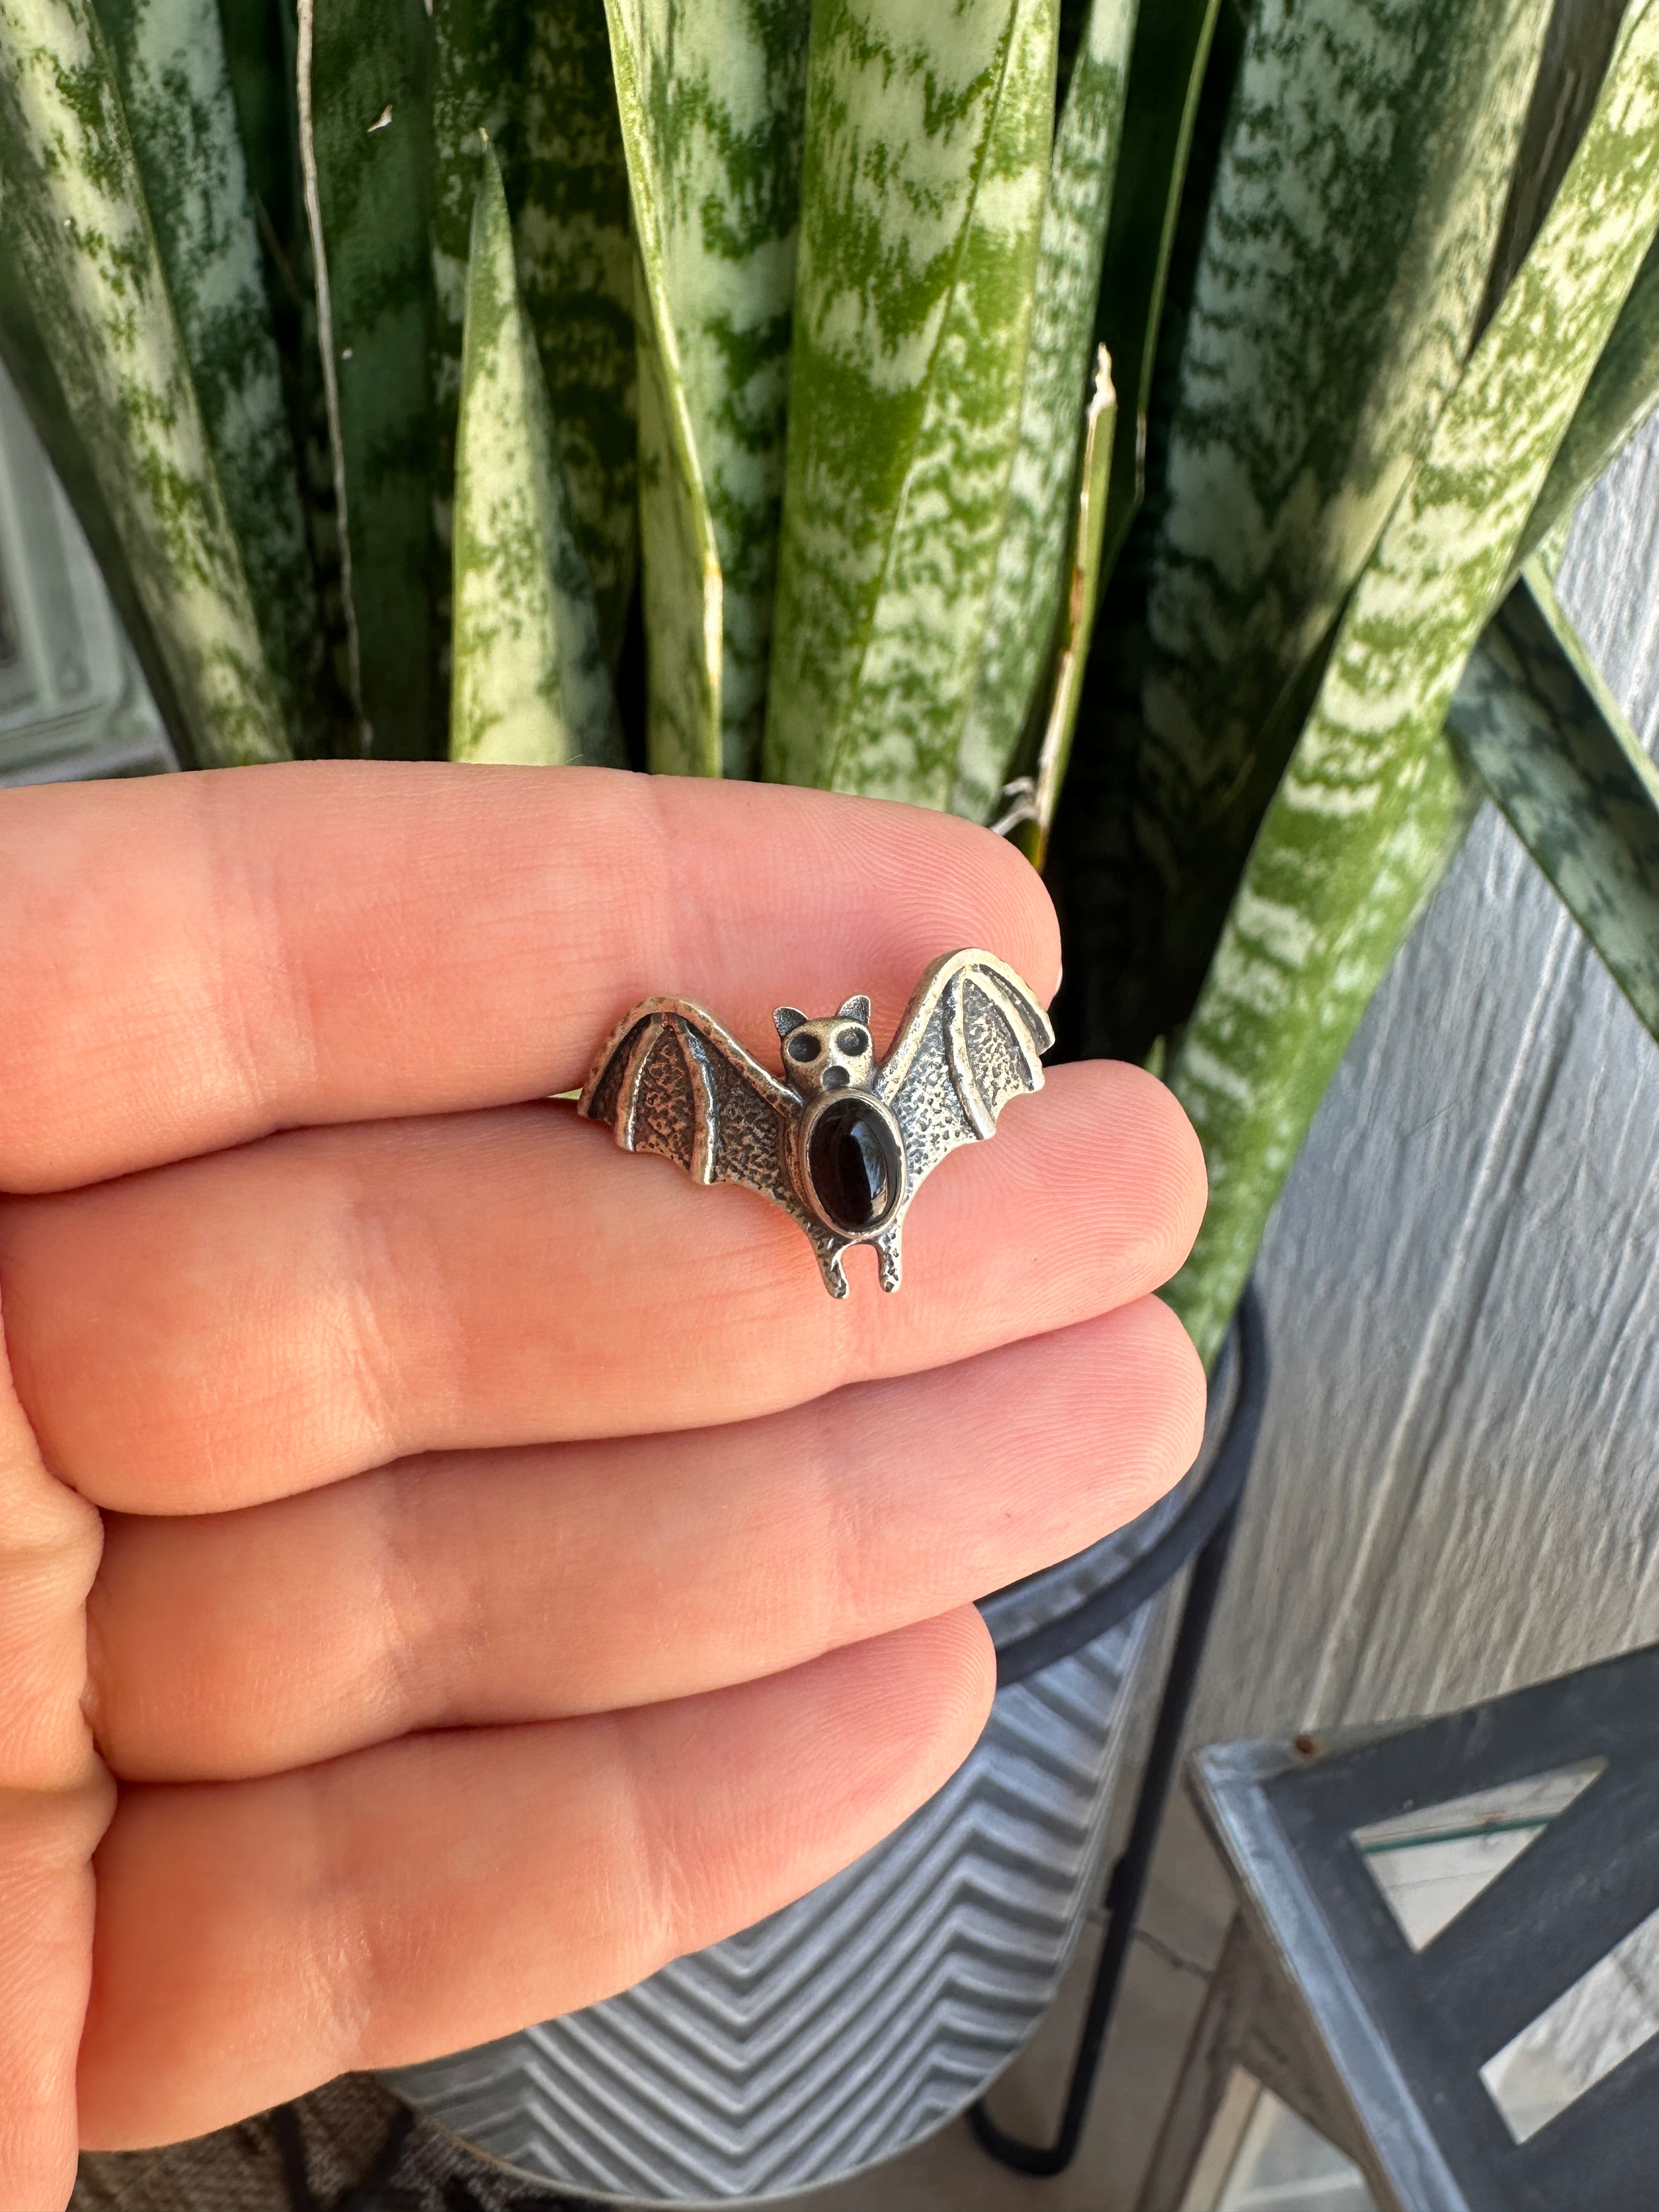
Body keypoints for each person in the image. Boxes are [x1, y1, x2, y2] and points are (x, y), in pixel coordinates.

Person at [0, 763, 1206, 2211]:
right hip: (815, 1204)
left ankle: (865, 1232)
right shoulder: (725, 1093)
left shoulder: (927, 1054)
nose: (825, 1069)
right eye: (816, 1061)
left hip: (864, 1208)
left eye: (838, 1061)